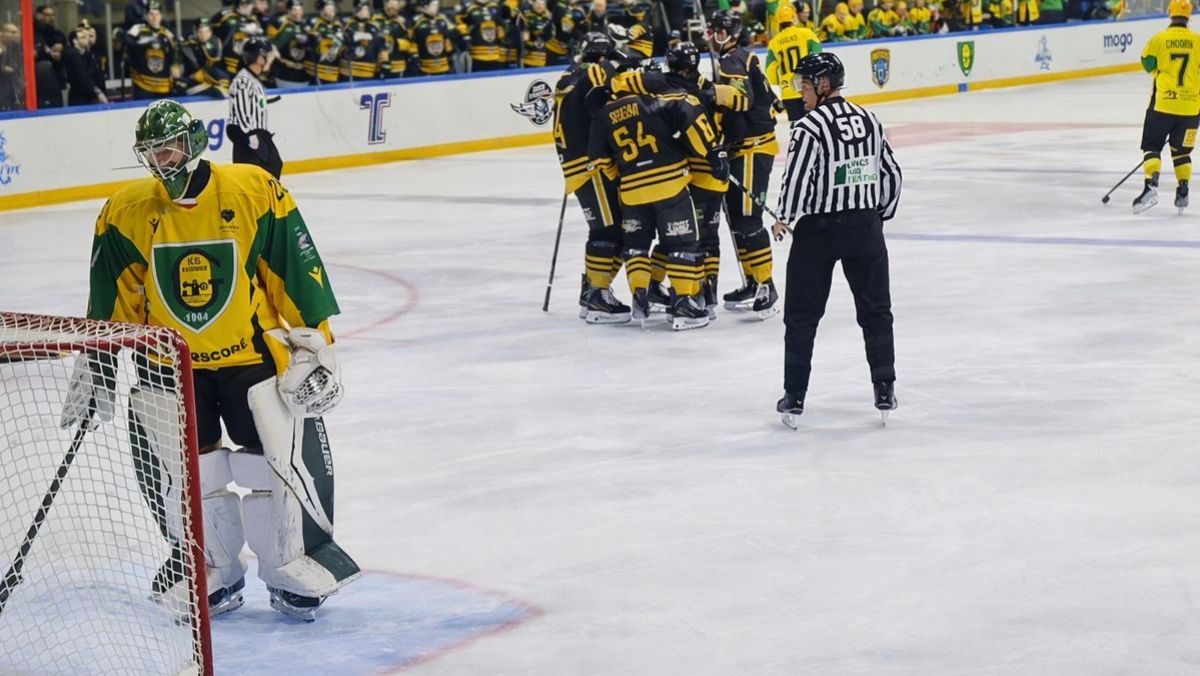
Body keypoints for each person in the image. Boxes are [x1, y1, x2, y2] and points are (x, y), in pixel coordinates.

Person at [65, 99, 360, 621]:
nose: (161, 160)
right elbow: (112, 294)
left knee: (268, 466)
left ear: (194, 142)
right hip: (169, 365)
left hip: (248, 358)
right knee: (191, 474)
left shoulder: (251, 189)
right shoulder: (126, 209)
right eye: (151, 151)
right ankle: (213, 568)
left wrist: (316, 339)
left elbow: (291, 265)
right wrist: (100, 363)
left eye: (169, 147)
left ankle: (286, 563)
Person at [770, 52, 902, 426]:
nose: (801, 93)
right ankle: (885, 389)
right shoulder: (869, 118)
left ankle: (794, 396)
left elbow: (796, 179)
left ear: (824, 85)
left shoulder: (808, 127)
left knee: (801, 316)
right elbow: (891, 174)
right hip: (865, 230)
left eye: (805, 86)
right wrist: (877, 217)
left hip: (818, 233)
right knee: (876, 312)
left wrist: (784, 217)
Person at [586, 69, 725, 330]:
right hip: (669, 185)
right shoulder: (657, 101)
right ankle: (683, 302)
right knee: (683, 243)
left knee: (636, 245)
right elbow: (690, 110)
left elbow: (597, 156)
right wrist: (713, 155)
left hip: (631, 191)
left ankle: (640, 297)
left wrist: (619, 176)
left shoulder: (604, 113)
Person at [710, 10, 781, 320]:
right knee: (738, 219)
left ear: (734, 32)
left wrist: (708, 93)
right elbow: (769, 99)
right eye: (714, 30)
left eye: (722, 31)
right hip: (744, 147)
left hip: (753, 147)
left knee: (749, 218)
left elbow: (743, 98)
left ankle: (767, 284)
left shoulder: (732, 60)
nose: (716, 36)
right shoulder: (739, 56)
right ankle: (752, 281)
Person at [1133, 0, 1200, 214]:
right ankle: (1183, 189)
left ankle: (1150, 185)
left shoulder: (1159, 39)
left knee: (1152, 147)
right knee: (1181, 153)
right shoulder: (1198, 41)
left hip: (1163, 105)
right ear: (1189, 16)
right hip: (1190, 108)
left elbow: (1148, 64)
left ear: (1170, 14)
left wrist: (1161, 70)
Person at [228, 36, 283, 178]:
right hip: (249, 135)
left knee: (273, 167)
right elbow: (242, 112)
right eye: (268, 55)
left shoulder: (253, 79)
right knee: (257, 175)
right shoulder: (243, 81)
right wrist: (253, 139)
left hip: (256, 134)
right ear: (258, 58)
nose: (271, 59)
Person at [765, 4, 821, 123]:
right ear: (794, 18)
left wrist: (780, 80)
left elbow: (771, 73)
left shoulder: (773, 42)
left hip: (788, 92)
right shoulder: (807, 34)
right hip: (808, 87)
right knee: (815, 123)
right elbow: (818, 55)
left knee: (797, 126)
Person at [124, 2, 180, 100]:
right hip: (142, 85)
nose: (154, 17)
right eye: (151, 14)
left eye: (157, 14)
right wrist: (141, 43)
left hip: (163, 86)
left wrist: (175, 64)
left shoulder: (168, 33)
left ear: (161, 15)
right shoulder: (137, 30)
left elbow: (176, 51)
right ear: (145, 15)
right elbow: (126, 45)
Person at [64, 22, 109, 105]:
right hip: (79, 98)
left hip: (90, 96)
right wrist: (97, 92)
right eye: (83, 37)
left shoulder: (89, 54)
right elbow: (82, 77)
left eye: (87, 37)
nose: (87, 39)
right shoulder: (73, 56)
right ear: (75, 41)